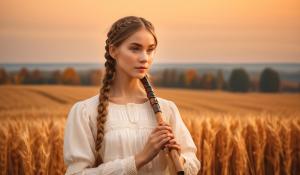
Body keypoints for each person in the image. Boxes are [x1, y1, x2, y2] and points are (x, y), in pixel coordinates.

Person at [63, 16, 200, 175]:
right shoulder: (85, 112)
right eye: (135, 48)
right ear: (113, 50)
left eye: (150, 50)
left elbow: (192, 166)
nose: (144, 58)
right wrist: (139, 159)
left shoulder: (167, 109)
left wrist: (177, 158)